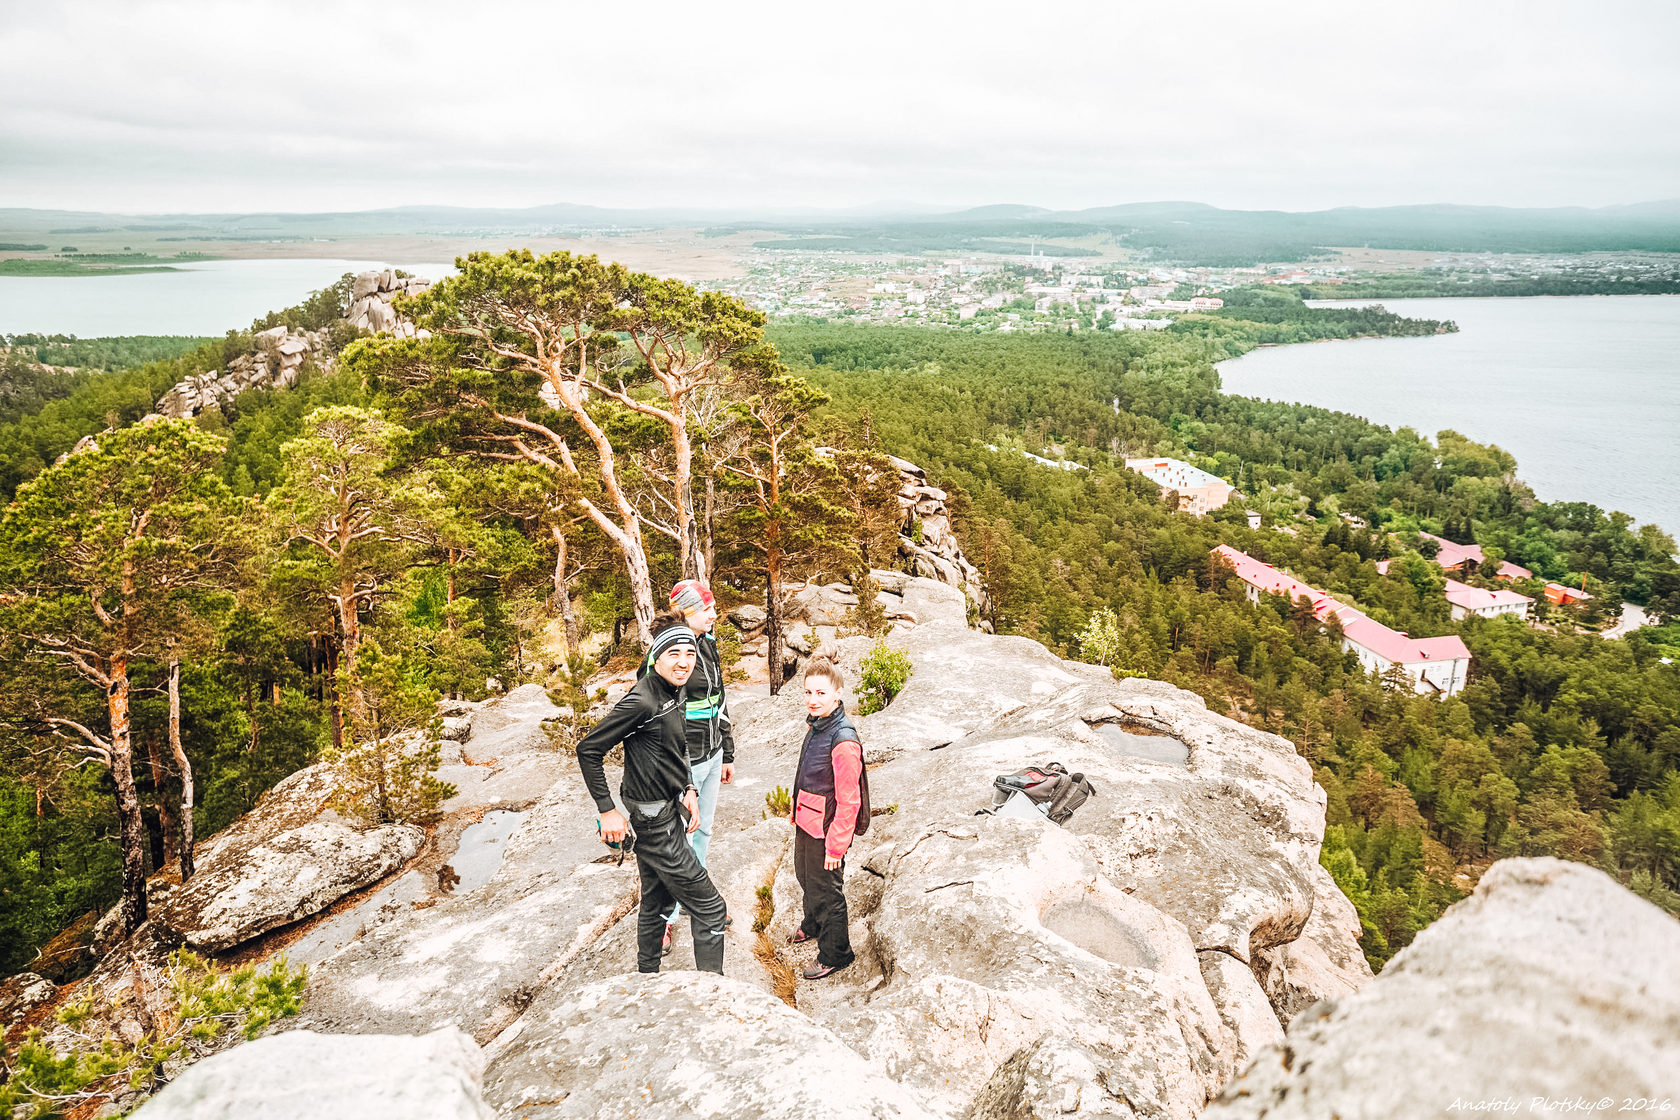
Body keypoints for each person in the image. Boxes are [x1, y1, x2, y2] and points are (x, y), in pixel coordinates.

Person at [578, 614, 729, 974]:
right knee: (711, 909)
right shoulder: (643, 700)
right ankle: (716, 992)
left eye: (689, 653)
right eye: (673, 653)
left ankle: (647, 976)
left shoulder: (674, 692)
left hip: (666, 811)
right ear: (656, 658)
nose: (683, 661)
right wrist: (607, 810)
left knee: (657, 902)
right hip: (653, 823)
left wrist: (687, 788)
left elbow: (674, 748)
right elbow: (589, 749)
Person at [643, 579, 736, 956]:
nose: (714, 614)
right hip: (684, 765)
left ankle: (696, 901)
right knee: (673, 842)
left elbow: (719, 700)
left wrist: (726, 753)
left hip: (710, 756)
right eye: (706, 609)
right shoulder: (667, 654)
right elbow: (659, 720)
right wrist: (680, 778)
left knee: (703, 833)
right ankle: (663, 920)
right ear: (683, 612)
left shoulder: (708, 644)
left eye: (713, 607)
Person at [787, 644, 867, 980]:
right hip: (807, 820)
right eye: (808, 692)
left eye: (821, 693)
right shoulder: (817, 724)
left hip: (827, 827)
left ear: (838, 693)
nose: (813, 699)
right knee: (806, 876)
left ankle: (836, 952)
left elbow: (849, 800)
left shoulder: (843, 738)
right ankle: (813, 923)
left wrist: (836, 846)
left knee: (827, 888)